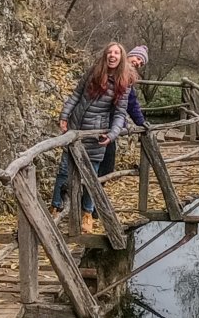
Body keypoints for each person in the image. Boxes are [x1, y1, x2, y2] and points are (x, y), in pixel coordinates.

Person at [50, 42, 136, 232]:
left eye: (116, 53)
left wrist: (112, 134)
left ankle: (87, 213)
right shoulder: (93, 72)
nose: (112, 55)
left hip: (96, 134)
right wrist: (64, 116)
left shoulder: (124, 81)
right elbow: (76, 95)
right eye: (109, 52)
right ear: (105, 55)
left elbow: (120, 113)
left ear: (121, 58)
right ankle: (56, 207)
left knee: (92, 175)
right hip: (75, 128)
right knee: (64, 171)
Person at [98, 45, 149, 178]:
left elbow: (130, 102)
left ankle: (96, 186)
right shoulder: (109, 69)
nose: (138, 63)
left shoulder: (128, 76)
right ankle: (93, 186)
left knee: (107, 159)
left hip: (110, 120)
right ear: (129, 55)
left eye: (141, 63)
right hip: (99, 117)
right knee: (103, 158)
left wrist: (141, 122)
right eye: (138, 58)